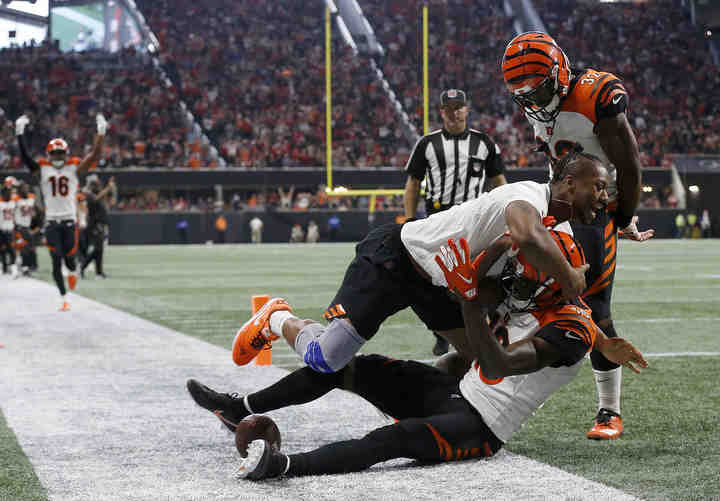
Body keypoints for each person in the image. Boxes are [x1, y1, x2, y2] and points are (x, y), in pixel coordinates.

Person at [186, 228, 647, 480]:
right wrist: (492, 257)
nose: (514, 286)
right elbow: (515, 251)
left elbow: (496, 363)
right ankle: (238, 408)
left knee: (394, 440)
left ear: (551, 283)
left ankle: (283, 466)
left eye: (525, 281)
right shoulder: (541, 293)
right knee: (349, 367)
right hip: (454, 392)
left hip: (481, 427)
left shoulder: (572, 329)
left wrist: (468, 297)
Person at [231, 151, 607, 376]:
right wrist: (570, 275)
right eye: (600, 187)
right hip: (398, 258)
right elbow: (527, 236)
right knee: (327, 358)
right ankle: (276, 318)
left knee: (480, 357)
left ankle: (411, 399)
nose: (604, 197)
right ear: (571, 183)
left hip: (439, 282)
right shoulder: (528, 195)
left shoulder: (555, 223)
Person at [502, 32, 655, 439]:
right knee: (515, 291)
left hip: (593, 209)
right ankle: (484, 385)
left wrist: (623, 218)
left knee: (594, 305)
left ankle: (609, 411)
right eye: (525, 93)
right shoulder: (539, 102)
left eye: (541, 89)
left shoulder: (595, 95)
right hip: (553, 204)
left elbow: (630, 161)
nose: (534, 99)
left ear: (560, 72)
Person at [403, 88, 508, 356]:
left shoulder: (484, 143)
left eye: (459, 107)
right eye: (449, 108)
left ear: (467, 109)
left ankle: (489, 327)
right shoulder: (427, 144)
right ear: (442, 112)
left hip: (475, 216)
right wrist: (410, 218)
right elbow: (413, 184)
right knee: (435, 278)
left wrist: (506, 214)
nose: (454, 112)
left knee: (482, 272)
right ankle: (442, 331)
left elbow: (499, 182)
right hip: (439, 217)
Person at [15, 113, 107, 310]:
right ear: (49, 155)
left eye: (60, 153)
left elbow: (94, 155)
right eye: (54, 153)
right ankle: (64, 297)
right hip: (51, 222)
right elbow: (25, 157)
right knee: (56, 259)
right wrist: (19, 132)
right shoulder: (43, 169)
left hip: (69, 221)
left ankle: (73, 272)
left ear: (65, 154)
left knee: (70, 260)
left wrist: (101, 132)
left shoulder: (74, 167)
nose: (57, 156)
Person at [81, 176, 115, 278]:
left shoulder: (97, 193)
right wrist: (108, 188)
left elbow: (110, 198)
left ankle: (99, 272)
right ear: (91, 185)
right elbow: (95, 200)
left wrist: (111, 188)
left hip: (101, 223)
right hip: (95, 224)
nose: (98, 186)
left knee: (99, 249)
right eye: (95, 184)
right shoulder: (88, 193)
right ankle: (83, 267)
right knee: (98, 249)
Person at [13, 181, 37, 276]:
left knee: (30, 248)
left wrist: (33, 212)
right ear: (20, 189)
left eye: (27, 188)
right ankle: (22, 267)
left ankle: (28, 266)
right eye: (23, 188)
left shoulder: (31, 197)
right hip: (19, 227)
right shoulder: (15, 199)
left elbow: (34, 211)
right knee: (22, 248)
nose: (25, 190)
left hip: (27, 227)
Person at [0, 185, 17, 277]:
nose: (8, 195)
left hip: (10, 229)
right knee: (2, 249)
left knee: (11, 249)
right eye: (6, 193)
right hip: (1, 229)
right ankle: (4, 267)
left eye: (9, 193)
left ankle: (13, 268)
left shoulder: (13, 202)